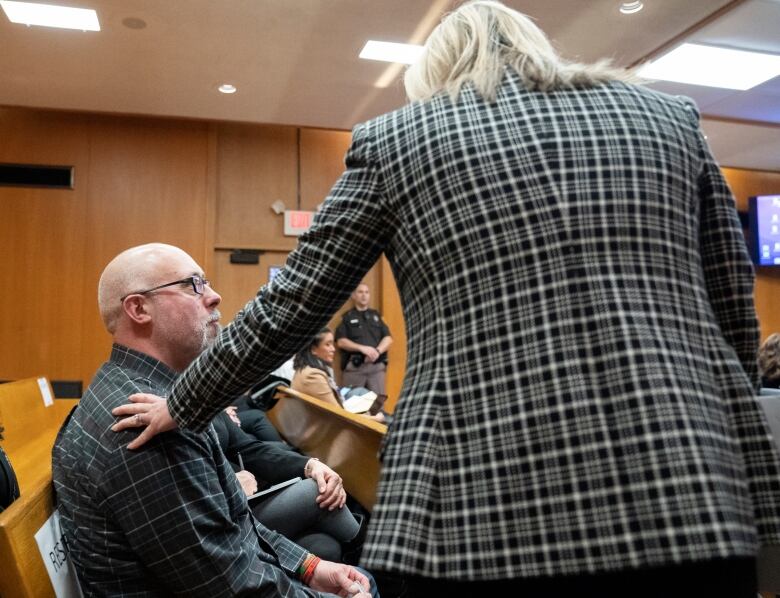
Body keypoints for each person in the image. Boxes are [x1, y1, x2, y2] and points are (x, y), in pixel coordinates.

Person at [115, 1, 780, 595]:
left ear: (435, 77)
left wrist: (185, 399)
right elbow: (732, 302)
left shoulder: (398, 140)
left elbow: (291, 306)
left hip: (480, 499)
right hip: (690, 489)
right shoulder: (671, 121)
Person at [52, 243, 373, 597]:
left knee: (346, 569)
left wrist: (310, 567)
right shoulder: (141, 421)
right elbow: (227, 586)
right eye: (193, 285)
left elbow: (232, 525)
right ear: (139, 308)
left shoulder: (156, 397)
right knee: (366, 585)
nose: (215, 296)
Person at [213, 407, 362, 562]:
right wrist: (231, 483)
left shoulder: (208, 406)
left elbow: (250, 450)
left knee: (326, 547)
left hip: (247, 505)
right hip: (222, 520)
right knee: (315, 490)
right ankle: (374, 562)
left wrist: (309, 465)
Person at [291, 328, 385, 422]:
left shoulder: (307, 369)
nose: (333, 349)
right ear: (313, 349)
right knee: (384, 418)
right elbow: (339, 415)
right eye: (328, 344)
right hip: (324, 427)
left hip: (320, 421)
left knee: (363, 396)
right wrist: (375, 419)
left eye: (332, 344)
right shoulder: (312, 376)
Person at [335, 284, 392, 396]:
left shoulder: (376, 316)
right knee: (352, 403)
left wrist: (377, 351)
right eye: (360, 292)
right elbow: (341, 341)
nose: (364, 295)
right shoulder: (347, 317)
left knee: (378, 404)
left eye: (367, 292)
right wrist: (362, 348)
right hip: (355, 368)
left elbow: (388, 338)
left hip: (376, 367)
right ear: (353, 295)